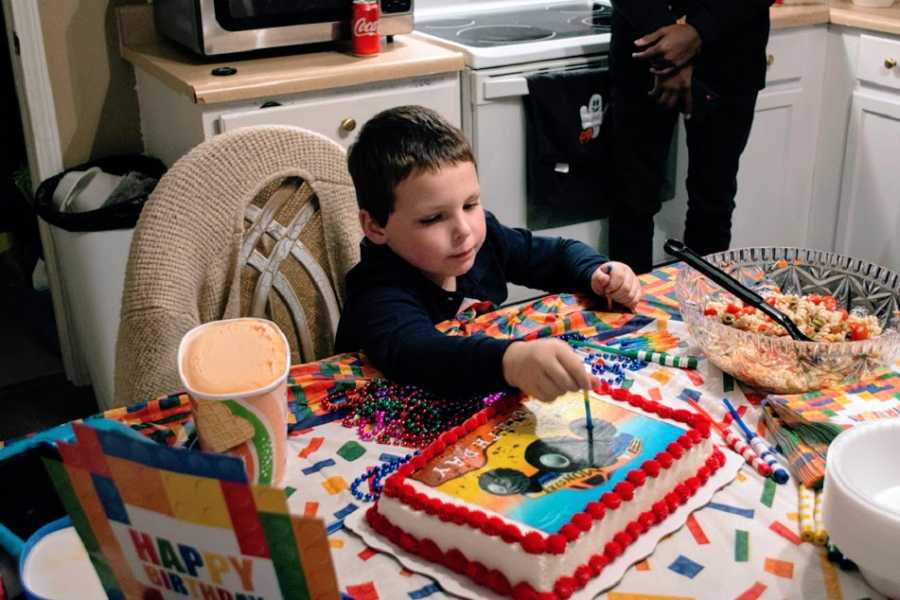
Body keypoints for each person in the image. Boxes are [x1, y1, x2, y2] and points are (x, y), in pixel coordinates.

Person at [334, 106, 642, 402]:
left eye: (470, 205)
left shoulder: (482, 240)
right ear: (375, 226)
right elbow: (421, 353)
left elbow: (557, 255)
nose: (464, 230)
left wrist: (598, 272)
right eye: (432, 219)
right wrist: (510, 360)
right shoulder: (376, 291)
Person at [607, 0, 774, 274]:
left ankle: (703, 308)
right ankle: (627, 311)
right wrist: (671, 48)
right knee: (632, 197)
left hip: (732, 52)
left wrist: (698, 32)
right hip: (644, 48)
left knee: (713, 200)